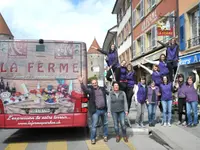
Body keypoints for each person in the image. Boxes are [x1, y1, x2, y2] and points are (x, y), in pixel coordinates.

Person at [78, 76, 108, 144]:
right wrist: (81, 82)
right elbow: (85, 90)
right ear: (91, 84)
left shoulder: (102, 89)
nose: (94, 84)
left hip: (104, 109)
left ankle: (105, 136)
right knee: (94, 125)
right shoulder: (91, 90)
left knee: (105, 124)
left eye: (95, 83)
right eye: (93, 83)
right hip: (96, 110)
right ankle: (93, 138)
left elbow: (108, 94)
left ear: (97, 83)